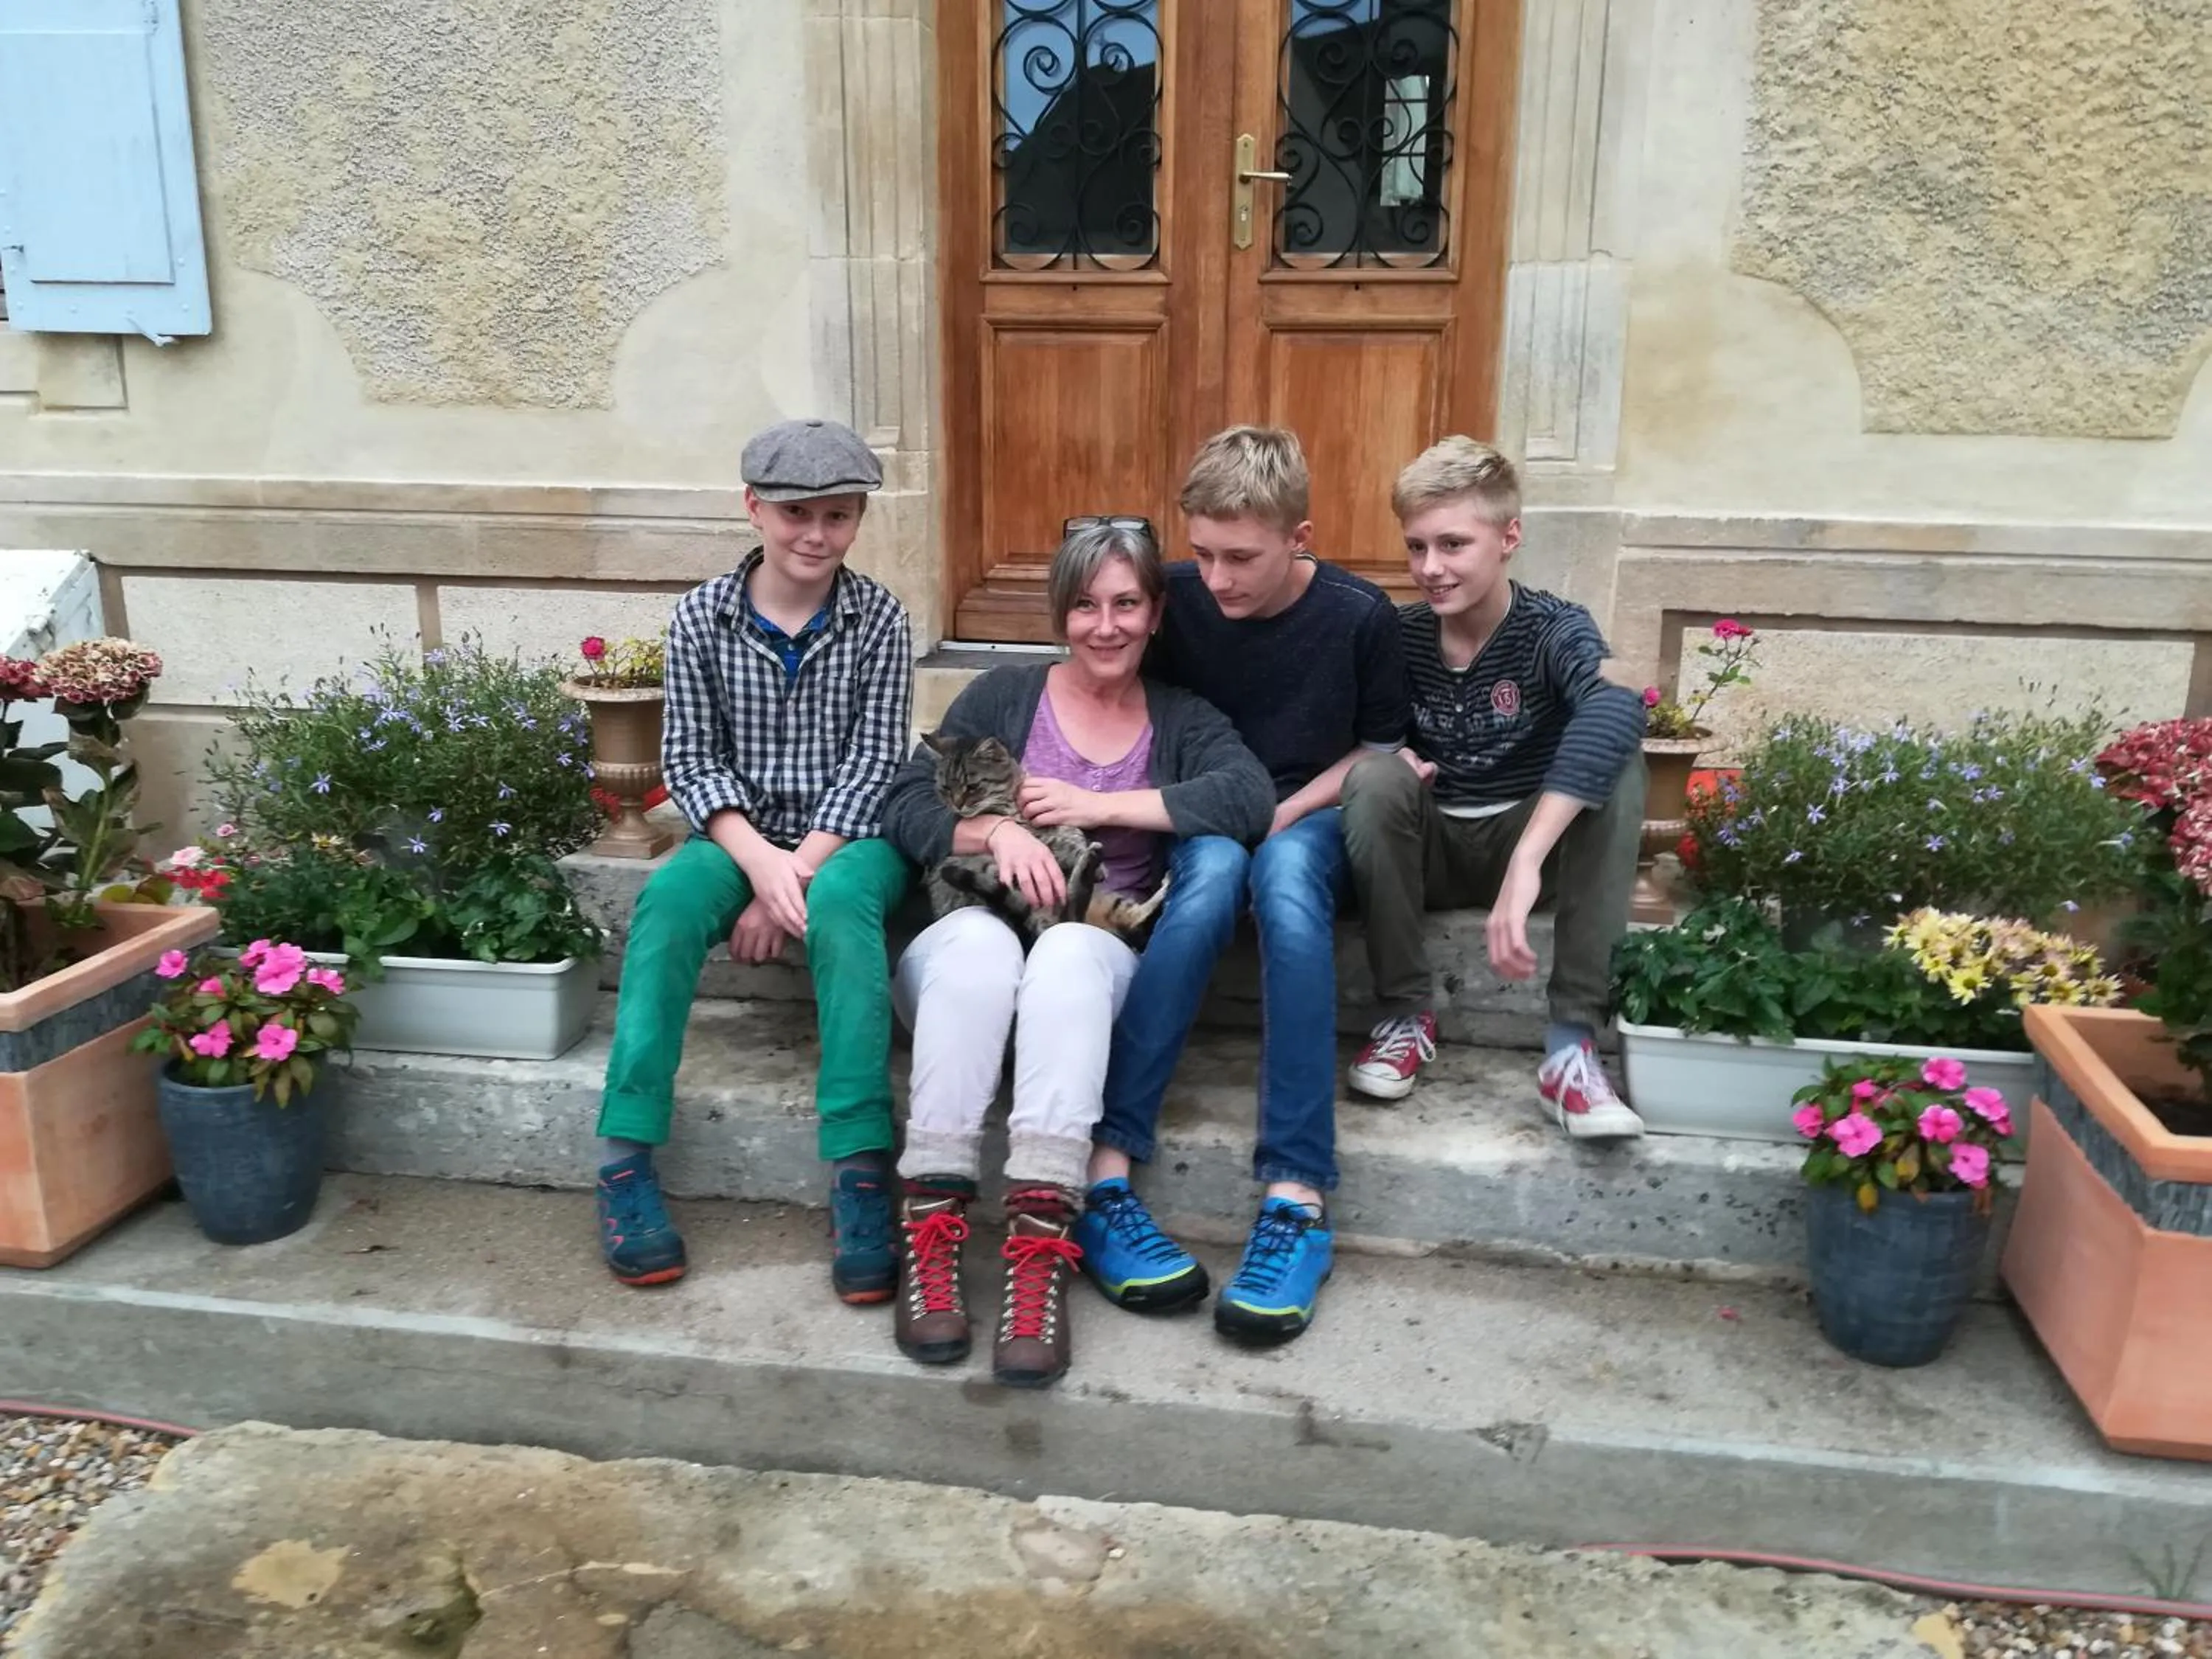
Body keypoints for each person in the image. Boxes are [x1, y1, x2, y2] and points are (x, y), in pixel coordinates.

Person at [879, 518, 1273, 1388]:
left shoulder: (1181, 717)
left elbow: (1247, 797)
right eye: (1086, 605)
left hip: (1089, 974)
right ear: (1061, 614)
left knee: (1066, 951)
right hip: (967, 957)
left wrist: (1105, 806)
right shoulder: (1001, 697)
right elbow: (903, 801)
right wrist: (989, 830)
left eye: (1127, 604)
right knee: (982, 945)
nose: (1107, 625)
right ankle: (933, 1233)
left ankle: (1037, 1251)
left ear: (1156, 612)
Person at [1074, 427, 1410, 1348]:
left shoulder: (1358, 614)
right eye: (1203, 553)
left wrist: (1282, 814)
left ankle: (1296, 1198)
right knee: (1211, 881)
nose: (1217, 580)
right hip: (1209, 819)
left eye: (1242, 559)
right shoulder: (1177, 602)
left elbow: (1381, 753)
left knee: (1290, 895)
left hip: (1305, 818)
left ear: (1299, 537)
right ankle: (1105, 1172)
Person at [593, 418, 917, 1300]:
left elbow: (875, 762)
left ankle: (858, 1167)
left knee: (845, 908)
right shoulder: (700, 618)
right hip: (737, 834)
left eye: (840, 516)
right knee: (666, 904)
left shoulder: (880, 619)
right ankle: (624, 1156)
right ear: (754, 508)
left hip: (851, 841)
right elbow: (692, 760)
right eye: (797, 513)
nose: (817, 535)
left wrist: (793, 878)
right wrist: (759, 867)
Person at [1340, 435, 1647, 1138]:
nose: (1431, 568)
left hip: (1524, 837)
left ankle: (1571, 1049)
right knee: (1376, 776)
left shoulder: (1551, 629)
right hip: (1434, 849)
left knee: (1621, 762)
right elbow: (1355, 733)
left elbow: (1617, 704)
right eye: (1416, 547)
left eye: (1453, 545)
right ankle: (1404, 1016)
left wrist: (1528, 860)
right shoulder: (1399, 634)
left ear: (1509, 536)